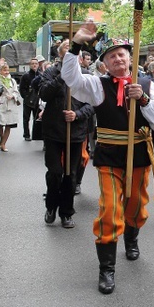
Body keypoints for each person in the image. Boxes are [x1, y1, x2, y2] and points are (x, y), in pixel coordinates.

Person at [61, 25, 154, 295]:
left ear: (130, 58)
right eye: (111, 57)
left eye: (121, 55)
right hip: (110, 157)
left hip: (139, 156)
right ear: (105, 65)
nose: (118, 60)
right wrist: (76, 44)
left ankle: (131, 238)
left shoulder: (147, 85)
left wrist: (142, 99)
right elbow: (71, 78)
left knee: (135, 205)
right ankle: (106, 269)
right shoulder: (97, 86)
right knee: (109, 209)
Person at [38, 40, 94, 229]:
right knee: (55, 173)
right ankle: (51, 206)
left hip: (75, 132)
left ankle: (66, 212)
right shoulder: (50, 72)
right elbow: (44, 94)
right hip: (53, 131)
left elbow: (92, 104)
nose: (70, 51)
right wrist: (63, 76)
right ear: (61, 54)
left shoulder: (86, 75)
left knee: (71, 174)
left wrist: (77, 114)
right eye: (66, 48)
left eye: (73, 49)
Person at [0, 62, 21, 152]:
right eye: (4, 70)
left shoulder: (12, 81)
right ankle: (2, 139)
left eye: (7, 70)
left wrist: (13, 96)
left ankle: (3, 143)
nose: (6, 72)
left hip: (11, 104)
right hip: (1, 104)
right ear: (0, 71)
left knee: (9, 124)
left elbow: (16, 91)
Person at [19, 57, 41, 141]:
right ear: (30, 65)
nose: (34, 65)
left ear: (38, 65)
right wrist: (25, 96)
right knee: (26, 119)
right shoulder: (25, 76)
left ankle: (36, 135)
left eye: (36, 63)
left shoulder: (40, 75)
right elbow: (21, 88)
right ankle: (26, 135)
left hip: (37, 100)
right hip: (28, 100)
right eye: (32, 64)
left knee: (36, 119)